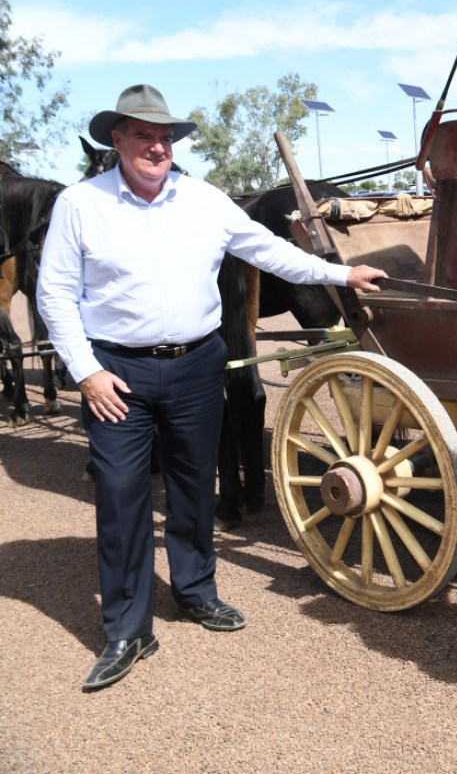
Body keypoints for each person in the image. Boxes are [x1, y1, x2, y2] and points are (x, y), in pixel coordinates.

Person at [37, 84, 388, 692]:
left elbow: (272, 252)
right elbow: (55, 295)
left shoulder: (204, 199)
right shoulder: (80, 204)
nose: (156, 145)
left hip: (198, 364)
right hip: (118, 371)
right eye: (142, 134)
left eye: (165, 136)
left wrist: (341, 272)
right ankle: (127, 629)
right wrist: (86, 372)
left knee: (196, 484)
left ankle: (195, 591)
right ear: (115, 140)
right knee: (121, 493)